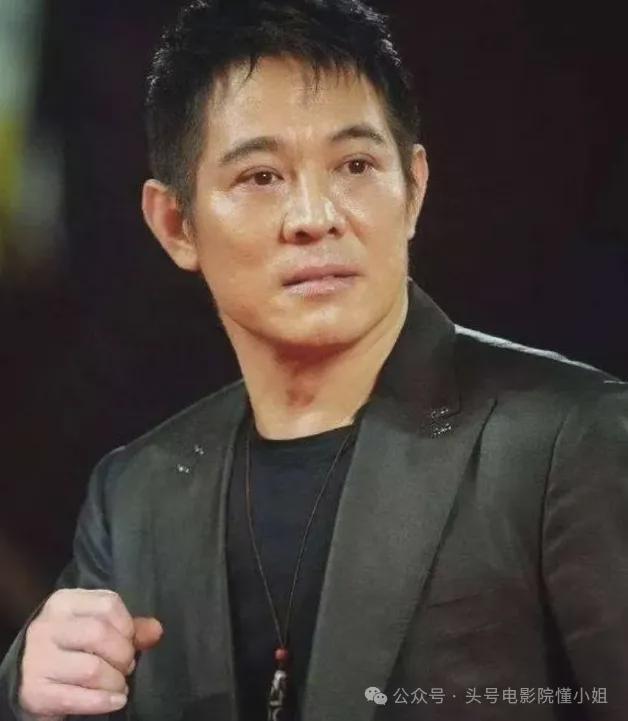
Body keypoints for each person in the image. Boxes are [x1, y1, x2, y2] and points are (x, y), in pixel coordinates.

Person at [1, 0, 627, 719]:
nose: (314, 216)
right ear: (176, 224)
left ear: (413, 189)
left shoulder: (569, 441)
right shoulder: (135, 495)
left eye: (355, 165)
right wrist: (30, 693)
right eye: (260, 176)